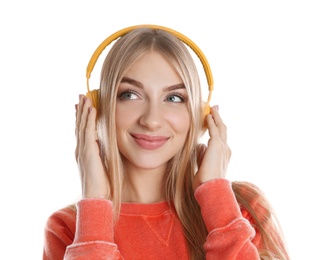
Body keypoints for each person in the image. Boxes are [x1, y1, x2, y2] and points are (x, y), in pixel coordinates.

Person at [43, 26, 290, 260]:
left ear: (200, 113)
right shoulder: (70, 228)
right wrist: (95, 202)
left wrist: (216, 196)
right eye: (130, 94)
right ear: (100, 106)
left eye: (173, 97)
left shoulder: (242, 208)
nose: (151, 120)